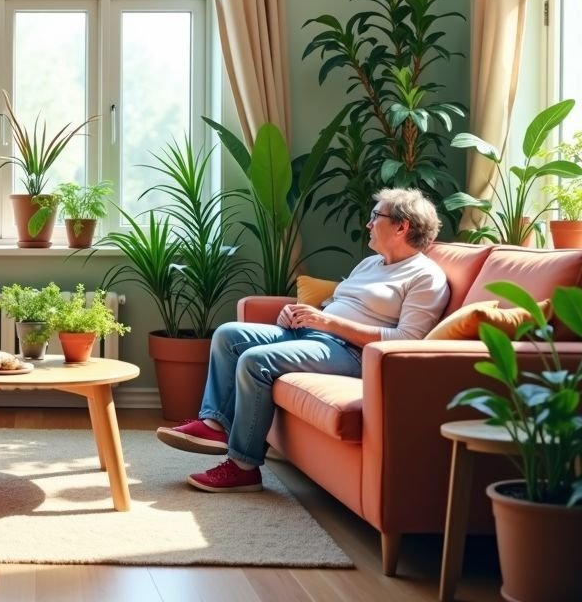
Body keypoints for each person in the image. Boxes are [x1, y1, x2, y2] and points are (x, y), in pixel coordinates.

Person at [156, 187, 450, 493]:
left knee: (257, 361)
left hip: (352, 353)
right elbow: (338, 304)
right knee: (229, 335)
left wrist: (328, 322)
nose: (369, 223)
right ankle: (215, 425)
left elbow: (406, 339)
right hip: (315, 334)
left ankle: (243, 467)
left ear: (402, 226)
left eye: (376, 216)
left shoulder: (425, 277)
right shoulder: (370, 264)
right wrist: (300, 314)